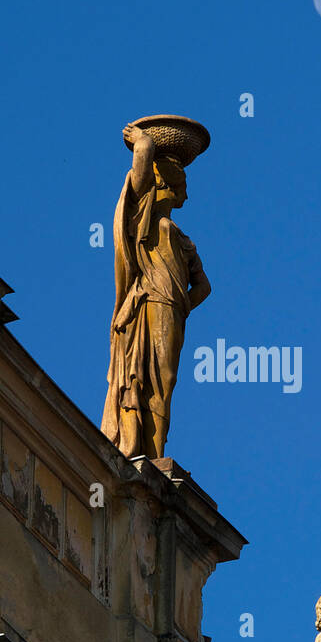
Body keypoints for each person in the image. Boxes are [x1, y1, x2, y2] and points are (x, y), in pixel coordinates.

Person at [102, 122, 210, 458]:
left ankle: (154, 448)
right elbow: (141, 166)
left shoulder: (181, 238)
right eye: (182, 185)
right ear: (163, 183)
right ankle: (147, 450)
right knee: (150, 379)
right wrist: (144, 141)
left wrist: (179, 305)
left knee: (165, 379)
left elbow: (205, 287)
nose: (186, 195)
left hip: (169, 309)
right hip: (148, 304)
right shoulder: (142, 218)